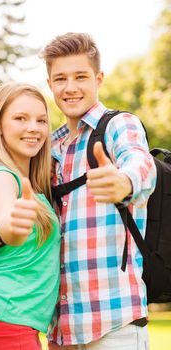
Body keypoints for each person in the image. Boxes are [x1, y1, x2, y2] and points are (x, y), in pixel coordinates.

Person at [40, 33, 157, 350]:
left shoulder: (119, 125)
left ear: (99, 78)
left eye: (80, 76)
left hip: (113, 323)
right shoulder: (50, 148)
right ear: (50, 84)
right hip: (62, 330)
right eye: (60, 78)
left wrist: (125, 182)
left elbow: (141, 163)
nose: (70, 87)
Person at [0, 81, 61, 350]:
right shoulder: (1, 178)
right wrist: (15, 228)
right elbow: (8, 228)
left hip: (13, 327)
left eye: (41, 120)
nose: (34, 127)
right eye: (20, 118)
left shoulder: (30, 185)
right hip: (3, 327)